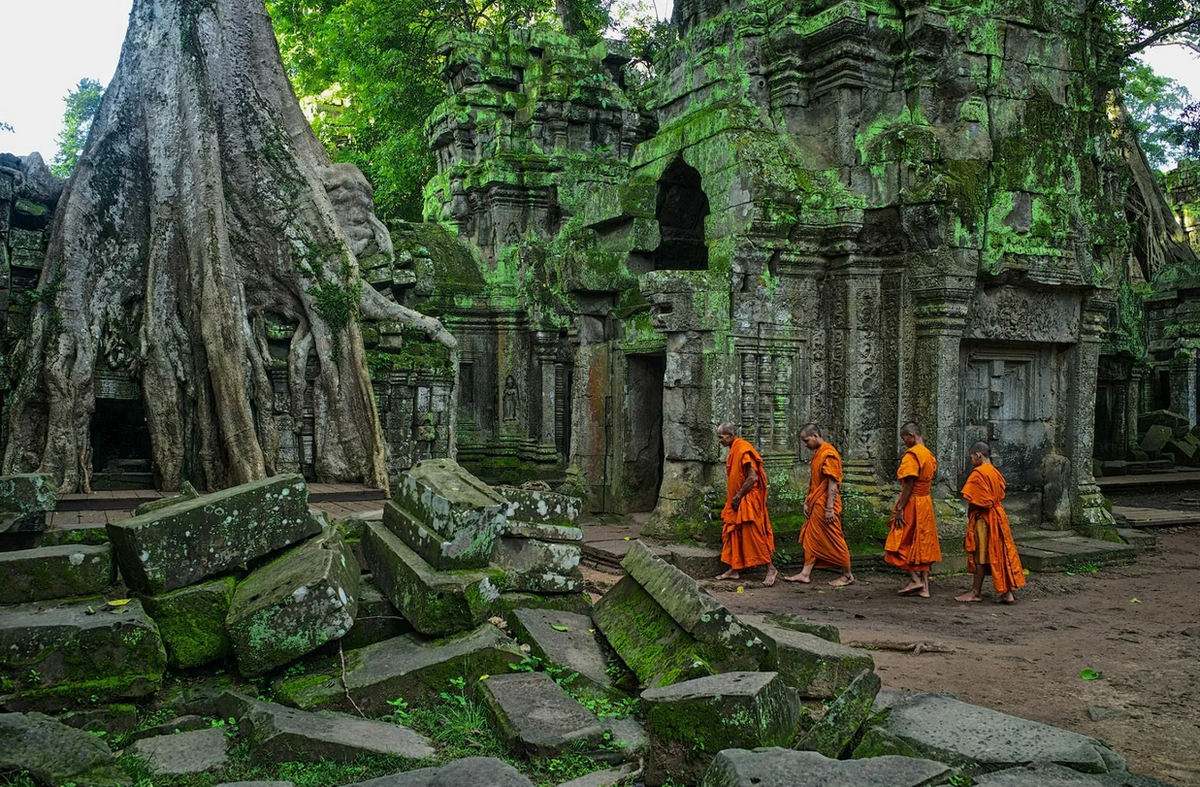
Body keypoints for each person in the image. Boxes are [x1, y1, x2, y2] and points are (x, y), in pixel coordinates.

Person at [784, 424, 854, 586]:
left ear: (816, 436)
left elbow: (832, 483)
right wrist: (807, 501)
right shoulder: (818, 454)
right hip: (816, 502)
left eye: (806, 440)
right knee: (811, 536)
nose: (805, 444)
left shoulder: (829, 454)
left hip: (826, 504)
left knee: (834, 536)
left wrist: (829, 508)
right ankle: (805, 573)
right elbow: (815, 481)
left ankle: (847, 575)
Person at [956, 441, 1025, 604]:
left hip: (984, 518)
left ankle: (975, 592)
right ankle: (1007, 593)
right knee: (1000, 552)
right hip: (998, 515)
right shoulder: (995, 472)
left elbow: (978, 501)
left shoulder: (978, 473)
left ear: (978, 455)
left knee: (981, 554)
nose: (971, 460)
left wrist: (971, 513)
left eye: (971, 457)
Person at [716, 423, 778, 586]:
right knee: (732, 533)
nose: (719, 441)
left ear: (731, 434)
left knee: (754, 534)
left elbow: (752, 477)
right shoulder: (734, 449)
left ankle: (770, 568)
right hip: (736, 499)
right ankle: (734, 569)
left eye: (721, 437)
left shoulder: (744, 448)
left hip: (747, 499)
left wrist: (738, 496)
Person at [884, 422, 942, 597]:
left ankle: (915, 579)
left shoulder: (913, 455)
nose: (905, 443)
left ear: (911, 435)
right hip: (925, 502)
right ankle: (924, 586)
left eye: (904, 439)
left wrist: (900, 507)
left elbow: (909, 483)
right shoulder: (929, 455)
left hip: (913, 502)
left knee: (898, 541)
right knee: (922, 541)